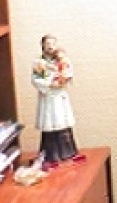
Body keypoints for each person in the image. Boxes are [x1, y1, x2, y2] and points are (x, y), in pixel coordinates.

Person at [31, 34, 80, 163]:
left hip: (60, 95)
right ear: (43, 45)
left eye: (53, 44)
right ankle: (51, 154)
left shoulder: (62, 59)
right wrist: (48, 83)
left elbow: (68, 72)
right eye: (48, 44)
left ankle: (68, 151)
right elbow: (35, 79)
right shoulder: (39, 62)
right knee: (49, 122)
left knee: (62, 121)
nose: (50, 47)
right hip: (48, 96)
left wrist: (63, 79)